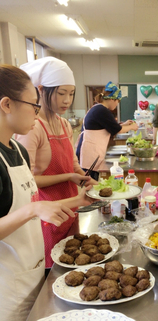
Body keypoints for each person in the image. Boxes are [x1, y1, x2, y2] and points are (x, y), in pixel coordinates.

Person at [0, 64, 94, 321]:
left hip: (31, 268)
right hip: (7, 284)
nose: (37, 112)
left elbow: (25, 195)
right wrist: (34, 209)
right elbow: (29, 206)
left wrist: (79, 200)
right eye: (33, 105)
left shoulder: (15, 150)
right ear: (7, 104)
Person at [15, 56, 97, 269]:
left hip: (70, 207)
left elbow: (72, 162)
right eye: (61, 93)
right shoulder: (32, 128)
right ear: (41, 90)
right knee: (54, 268)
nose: (67, 100)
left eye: (71, 94)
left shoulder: (64, 124)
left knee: (73, 261)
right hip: (47, 212)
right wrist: (70, 176)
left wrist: (84, 178)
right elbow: (28, 181)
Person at [76, 81, 138, 181]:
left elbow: (110, 126)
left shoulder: (98, 108)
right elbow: (118, 130)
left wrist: (125, 124)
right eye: (118, 101)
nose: (117, 104)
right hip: (90, 154)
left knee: (92, 183)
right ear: (112, 99)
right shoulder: (102, 110)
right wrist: (132, 127)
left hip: (90, 152)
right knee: (91, 185)